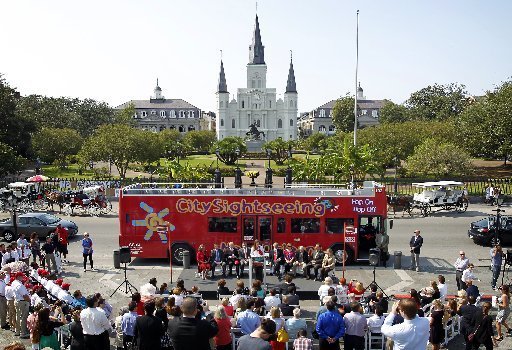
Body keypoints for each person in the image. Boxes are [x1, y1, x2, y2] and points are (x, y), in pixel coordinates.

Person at [12, 271, 30, 338]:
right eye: (22, 276)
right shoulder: (19, 285)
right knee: (23, 317)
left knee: (18, 316)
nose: (23, 277)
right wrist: (29, 301)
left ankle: (17, 331)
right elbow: (25, 296)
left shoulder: (14, 283)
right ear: (19, 277)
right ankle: (23, 333)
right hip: (22, 302)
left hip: (17, 301)